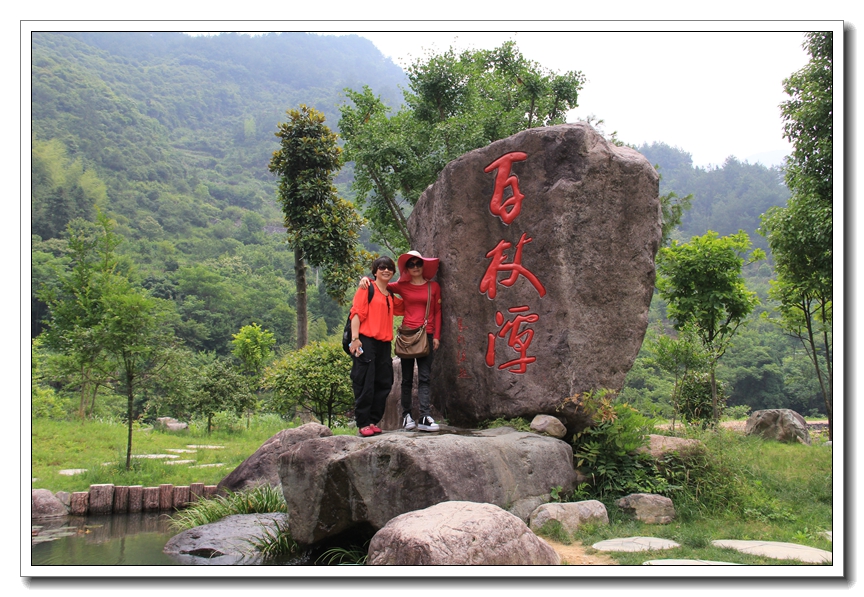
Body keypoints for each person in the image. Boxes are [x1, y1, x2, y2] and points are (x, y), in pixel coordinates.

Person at [361, 250, 442, 432]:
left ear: (423, 266)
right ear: (407, 268)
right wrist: (366, 280)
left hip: (426, 335)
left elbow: (438, 313)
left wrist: (436, 336)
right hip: (406, 335)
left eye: (418, 263)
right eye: (411, 264)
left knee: (424, 377)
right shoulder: (401, 286)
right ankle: (406, 416)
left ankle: (424, 416)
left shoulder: (433, 287)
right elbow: (381, 285)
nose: (415, 267)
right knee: (406, 378)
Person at [348, 256, 404, 437]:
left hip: (384, 344)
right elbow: (356, 313)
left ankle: (373, 420)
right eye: (381, 267)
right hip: (366, 341)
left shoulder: (390, 296)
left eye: (389, 268)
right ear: (375, 271)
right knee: (366, 381)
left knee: (384, 381)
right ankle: (363, 422)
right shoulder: (367, 288)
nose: (385, 270)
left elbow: (405, 307)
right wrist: (355, 339)